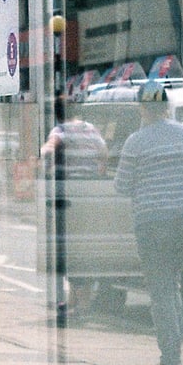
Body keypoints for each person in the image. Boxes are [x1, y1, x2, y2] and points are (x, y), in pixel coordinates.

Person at [113, 94, 183, 365]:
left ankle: (170, 359)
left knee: (163, 290)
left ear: (142, 109)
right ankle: (177, 352)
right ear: (167, 108)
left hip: (153, 225)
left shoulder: (136, 142)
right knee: (177, 284)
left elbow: (121, 185)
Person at [39, 97, 108, 324]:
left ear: (58, 114)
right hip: (91, 195)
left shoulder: (60, 130)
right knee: (86, 248)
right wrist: (98, 174)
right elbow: (104, 153)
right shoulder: (91, 129)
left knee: (69, 251)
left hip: (70, 198)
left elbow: (49, 149)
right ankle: (78, 301)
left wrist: (44, 159)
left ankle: (81, 303)